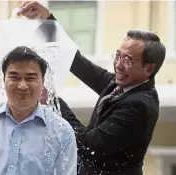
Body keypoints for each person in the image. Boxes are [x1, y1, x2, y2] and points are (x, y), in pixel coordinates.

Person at [18, 1, 166, 175]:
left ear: (149, 69)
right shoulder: (118, 85)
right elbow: (78, 62)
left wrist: (52, 101)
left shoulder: (139, 105)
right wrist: (46, 21)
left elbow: (89, 147)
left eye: (128, 60)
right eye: (117, 56)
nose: (118, 65)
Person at [0, 46, 77, 175]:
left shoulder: (61, 132)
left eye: (30, 78)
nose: (22, 86)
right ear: (4, 80)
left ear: (43, 82)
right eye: (14, 77)